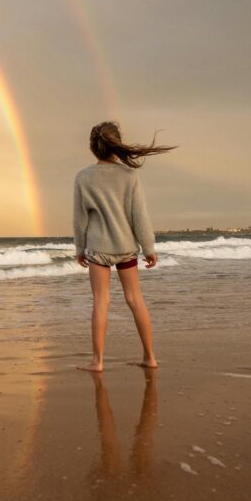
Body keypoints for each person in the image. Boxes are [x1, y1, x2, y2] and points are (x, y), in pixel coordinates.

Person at [73, 121, 177, 372]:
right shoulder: (130, 176)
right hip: (127, 248)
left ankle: (97, 362)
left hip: (98, 249)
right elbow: (138, 215)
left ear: (93, 148)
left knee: (101, 302)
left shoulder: (83, 177)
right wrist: (149, 247)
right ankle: (150, 357)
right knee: (135, 299)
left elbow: (80, 219)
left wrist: (79, 248)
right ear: (116, 145)